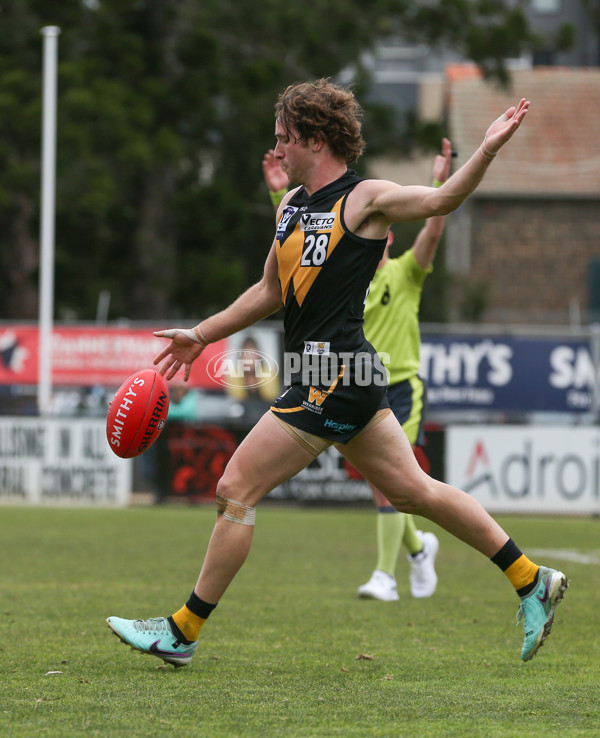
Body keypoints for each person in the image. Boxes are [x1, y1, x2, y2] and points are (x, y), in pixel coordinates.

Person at [107, 79, 567, 667]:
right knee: (413, 492)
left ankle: (183, 630)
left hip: (337, 375)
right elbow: (269, 291)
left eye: (284, 140)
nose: (277, 152)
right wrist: (201, 334)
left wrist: (488, 149)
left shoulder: (364, 198)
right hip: (326, 374)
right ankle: (533, 580)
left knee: (235, 488)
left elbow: (441, 199)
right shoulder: (293, 207)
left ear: (315, 139)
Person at [261, 139, 453, 602]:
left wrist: (439, 185)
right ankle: (418, 548)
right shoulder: (344, 271)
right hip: (348, 380)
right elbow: (300, 245)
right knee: (390, 485)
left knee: (392, 489)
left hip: (399, 385)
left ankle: (385, 575)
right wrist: (279, 195)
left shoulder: (404, 274)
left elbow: (430, 233)